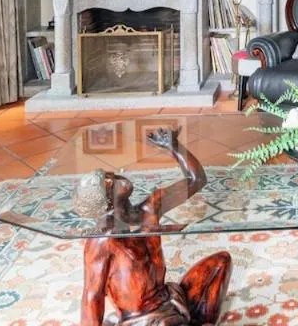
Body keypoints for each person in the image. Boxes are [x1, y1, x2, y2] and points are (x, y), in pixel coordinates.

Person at [75, 127, 231, 325]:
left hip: (172, 301)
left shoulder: (151, 208)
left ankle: (192, 321)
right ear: (103, 202)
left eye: (108, 174)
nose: (113, 175)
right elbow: (91, 297)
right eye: (106, 181)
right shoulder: (103, 241)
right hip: (144, 319)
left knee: (220, 263)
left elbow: (196, 179)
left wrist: (173, 146)